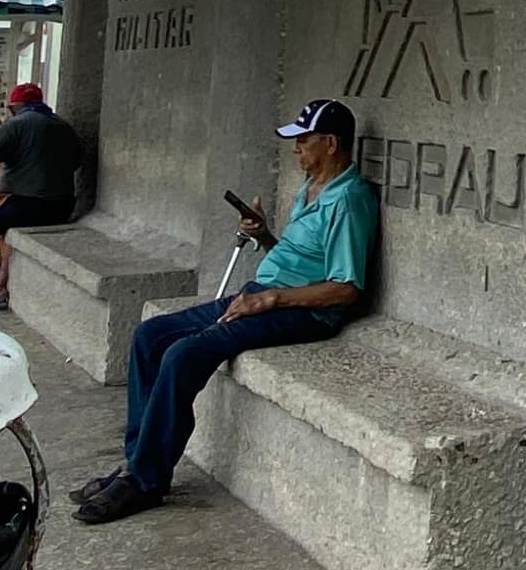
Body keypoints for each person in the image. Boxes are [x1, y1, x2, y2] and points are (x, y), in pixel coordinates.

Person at [72, 99, 377, 524]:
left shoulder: (349, 200)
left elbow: (345, 288)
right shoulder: (310, 189)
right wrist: (265, 235)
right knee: (150, 336)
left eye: (303, 141)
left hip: (303, 312)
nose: (296, 150)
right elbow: (300, 259)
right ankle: (135, 463)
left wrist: (269, 300)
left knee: (183, 354)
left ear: (330, 143)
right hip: (263, 293)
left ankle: (146, 480)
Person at [0, 81, 83, 310]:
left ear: (12, 107)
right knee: (7, 229)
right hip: (63, 205)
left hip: (28, 204)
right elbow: (76, 162)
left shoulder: (17, 124)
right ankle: (2, 283)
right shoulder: (64, 127)